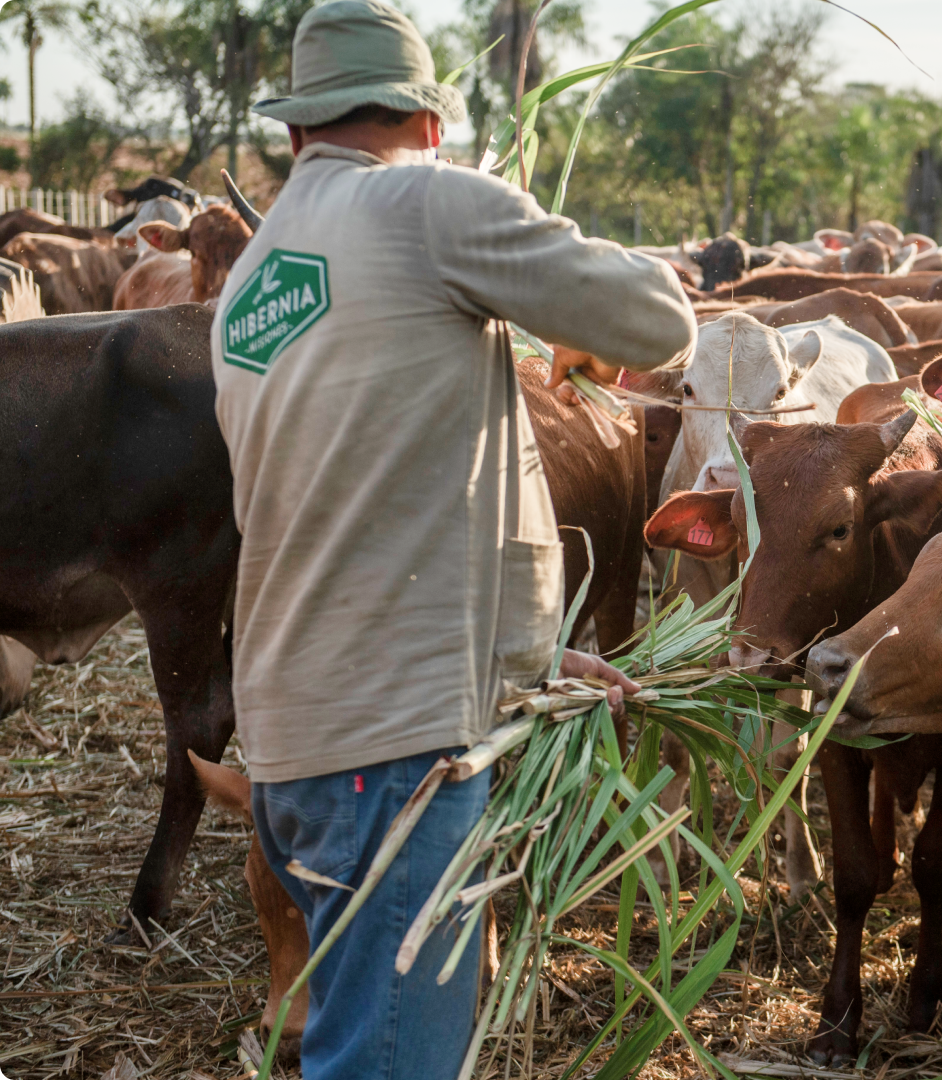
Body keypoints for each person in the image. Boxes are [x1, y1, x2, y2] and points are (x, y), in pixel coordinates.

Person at [207, 2, 696, 1077]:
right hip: (394, 763)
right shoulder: (425, 205)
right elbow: (660, 319)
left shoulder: (247, 286)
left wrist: (523, 664)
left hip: (295, 756)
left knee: (360, 1035)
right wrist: (569, 317)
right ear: (430, 123)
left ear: (296, 132)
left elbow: (359, 515)